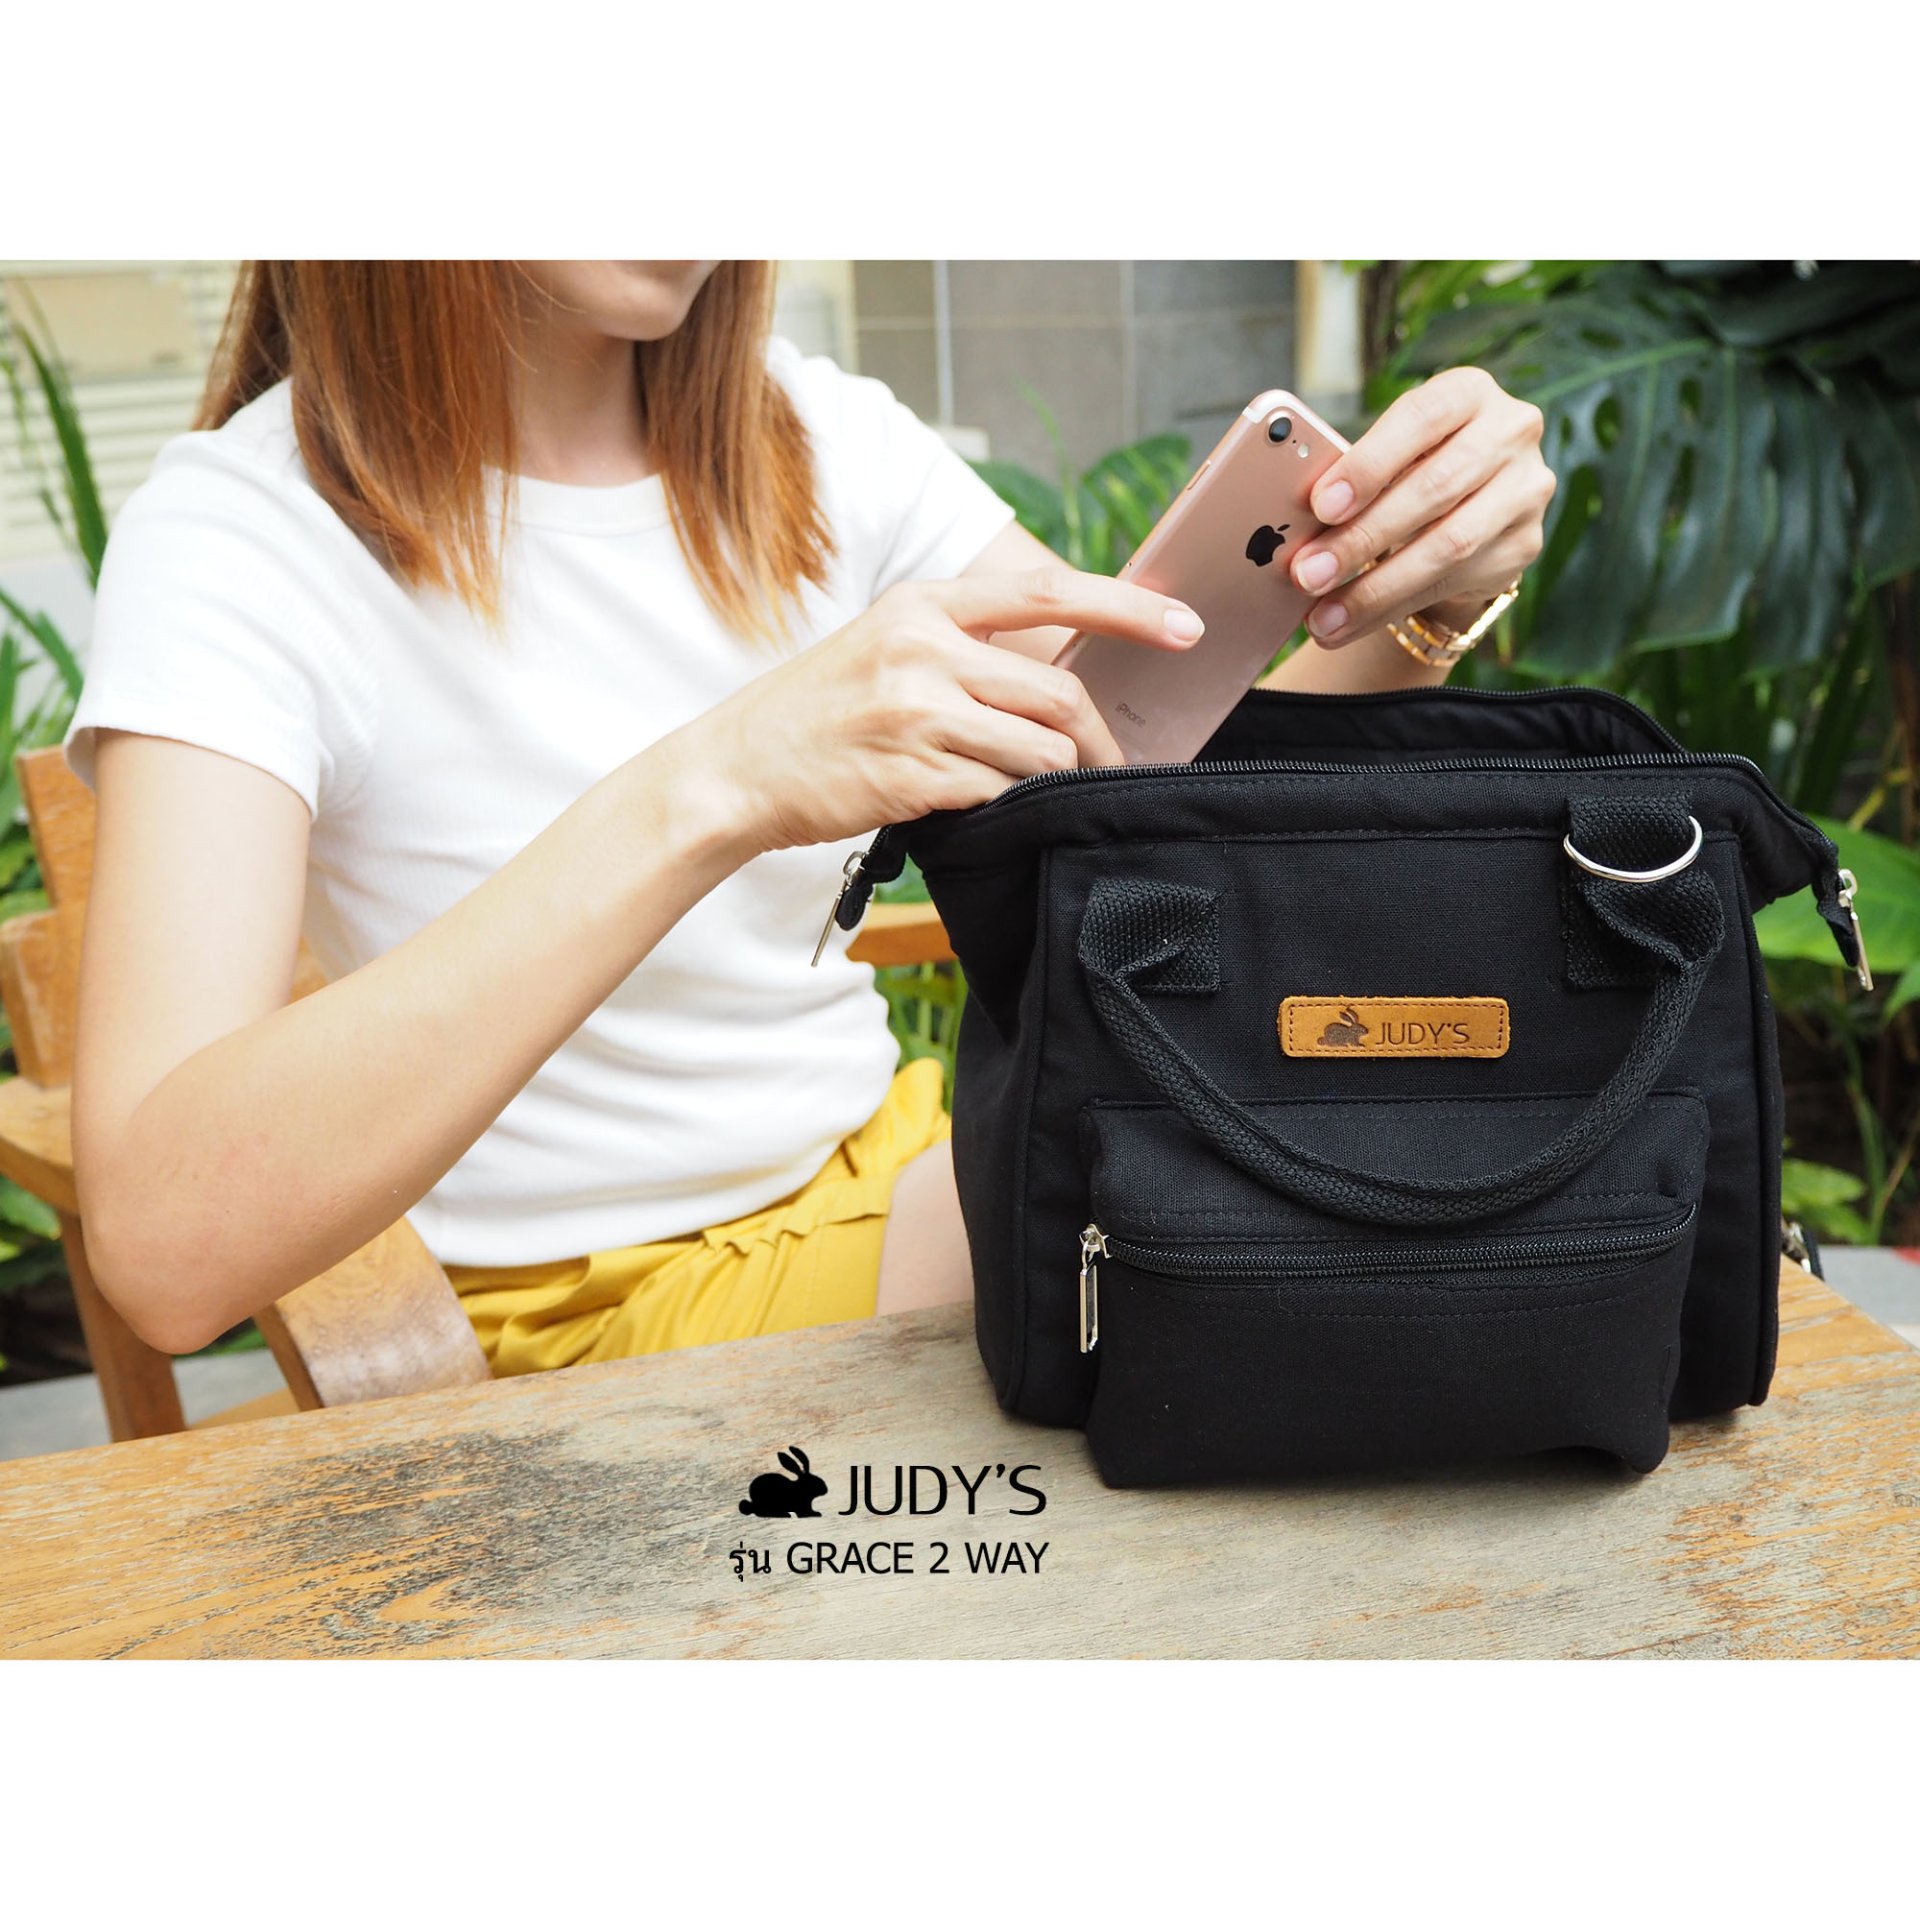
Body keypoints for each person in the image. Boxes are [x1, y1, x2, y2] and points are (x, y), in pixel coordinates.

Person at [65, 260, 1554, 1370]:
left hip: (888, 1176)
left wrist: (1414, 601)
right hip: (593, 1307)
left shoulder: (821, 443)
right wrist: (719, 782)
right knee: (1298, 1233)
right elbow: (164, 1246)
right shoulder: (246, 539)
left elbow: (1147, 787)